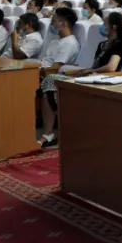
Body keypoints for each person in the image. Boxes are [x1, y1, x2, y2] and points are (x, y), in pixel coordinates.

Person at [36, 8, 81, 148]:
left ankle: (47, 133)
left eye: (54, 21)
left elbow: (55, 68)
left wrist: (34, 72)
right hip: (40, 71)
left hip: (53, 76)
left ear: (63, 23)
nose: (52, 24)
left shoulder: (69, 43)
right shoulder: (55, 41)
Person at [64, 11, 122, 78]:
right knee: (64, 72)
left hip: (106, 77)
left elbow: (111, 67)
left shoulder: (118, 45)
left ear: (114, 27)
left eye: (105, 24)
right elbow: (95, 65)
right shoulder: (102, 44)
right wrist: (84, 71)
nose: (102, 27)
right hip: (94, 75)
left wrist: (91, 71)